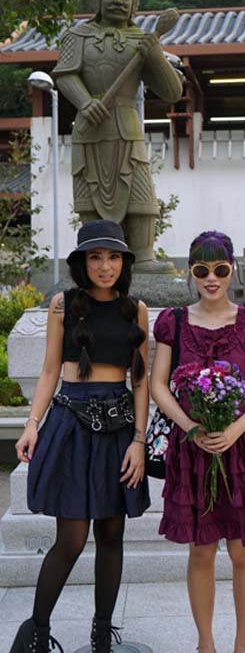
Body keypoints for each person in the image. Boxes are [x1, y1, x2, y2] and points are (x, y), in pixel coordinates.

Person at [11, 219, 150, 653]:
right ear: (82, 262)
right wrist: (31, 424)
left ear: (123, 262)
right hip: (71, 425)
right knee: (70, 539)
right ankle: (36, 634)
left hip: (118, 431)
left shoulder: (135, 309)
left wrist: (139, 441)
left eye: (113, 257)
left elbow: (141, 380)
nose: (104, 266)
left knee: (111, 536)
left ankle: (101, 635)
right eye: (95, 257)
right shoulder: (62, 305)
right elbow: (50, 370)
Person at [150, 230, 245, 653]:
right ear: (191, 272)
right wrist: (190, 427)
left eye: (220, 269)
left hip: (243, 448)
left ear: (232, 270)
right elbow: (158, 385)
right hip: (193, 450)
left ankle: (243, 644)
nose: (211, 278)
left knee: (243, 550)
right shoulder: (173, 322)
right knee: (200, 549)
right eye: (202, 269)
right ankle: (205, 644)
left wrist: (235, 429)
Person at [52, 0, 183, 272]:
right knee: (90, 195)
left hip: (127, 126)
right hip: (90, 128)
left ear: (135, 1)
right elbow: (65, 74)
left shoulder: (142, 40)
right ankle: (93, 257)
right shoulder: (77, 36)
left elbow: (172, 92)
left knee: (140, 195)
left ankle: (142, 254)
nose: (118, 1)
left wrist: (154, 54)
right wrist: (85, 102)